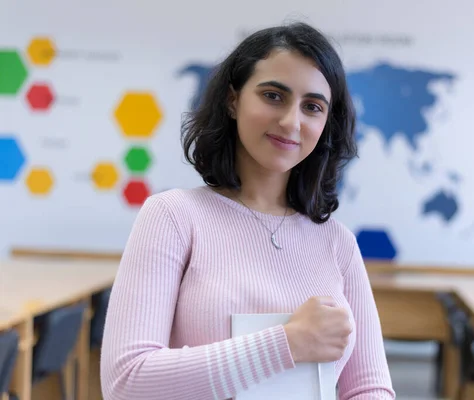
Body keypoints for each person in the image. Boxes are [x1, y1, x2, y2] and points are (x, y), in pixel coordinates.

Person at [100, 21, 396, 400]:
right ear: (233, 100)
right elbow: (126, 383)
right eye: (273, 96)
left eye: (312, 107)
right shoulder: (172, 217)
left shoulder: (338, 243)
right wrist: (288, 343)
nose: (292, 122)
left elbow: (370, 388)